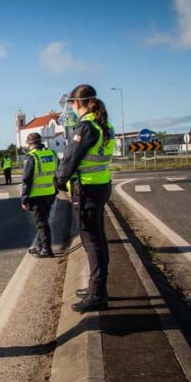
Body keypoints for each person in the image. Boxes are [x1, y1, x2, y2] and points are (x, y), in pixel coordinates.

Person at [54, 84, 115, 313]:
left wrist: (59, 180)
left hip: (87, 190)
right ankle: (97, 288)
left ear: (77, 104)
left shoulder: (86, 126)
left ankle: (97, 293)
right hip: (100, 186)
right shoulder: (104, 124)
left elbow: (70, 158)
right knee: (97, 239)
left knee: (91, 241)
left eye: (72, 104)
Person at [21, 132, 57, 258]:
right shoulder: (52, 154)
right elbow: (58, 173)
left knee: (41, 223)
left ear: (30, 144)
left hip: (36, 196)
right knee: (43, 220)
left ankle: (46, 249)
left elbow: (27, 180)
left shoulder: (32, 157)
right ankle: (39, 246)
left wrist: (24, 199)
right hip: (50, 193)